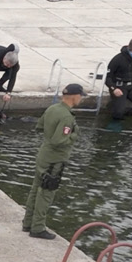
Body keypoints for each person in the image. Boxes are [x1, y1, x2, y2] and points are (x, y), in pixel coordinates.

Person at [22, 84, 86, 240]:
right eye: (81, 95)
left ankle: (27, 222)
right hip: (54, 160)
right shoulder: (66, 117)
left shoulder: (52, 109)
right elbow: (59, 140)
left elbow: (39, 127)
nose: (81, 98)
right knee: (46, 193)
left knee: (35, 189)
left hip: (43, 155)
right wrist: (73, 135)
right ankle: (37, 228)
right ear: (74, 96)